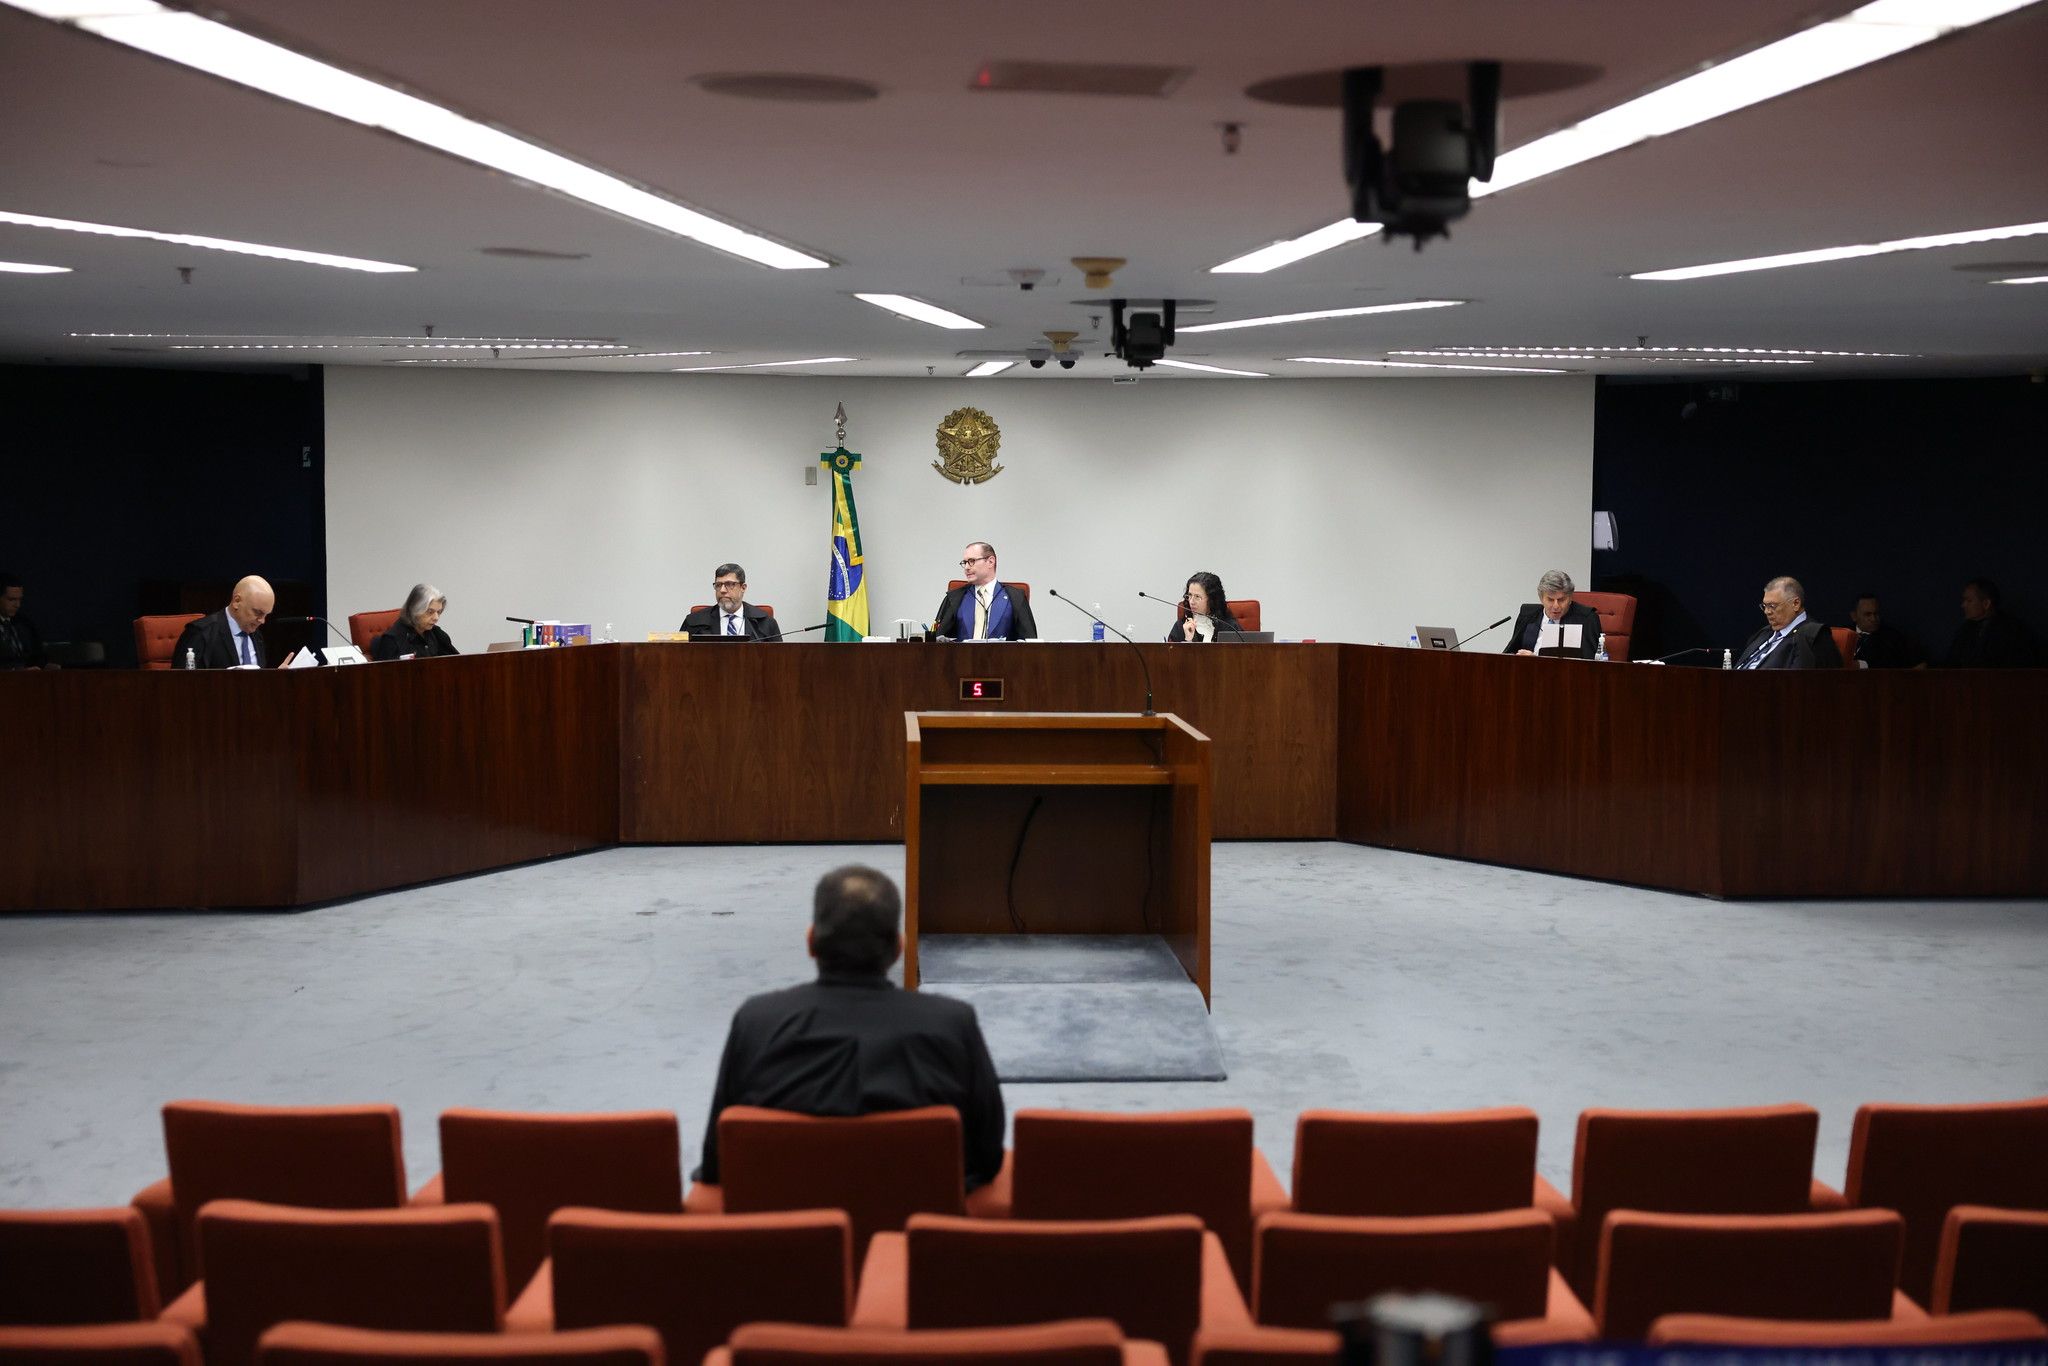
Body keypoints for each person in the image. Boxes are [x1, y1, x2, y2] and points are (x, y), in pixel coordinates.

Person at [692, 865, 1004, 1191]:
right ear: (899, 949)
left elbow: (718, 1163)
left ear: (811, 942)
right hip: (915, 1231)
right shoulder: (953, 1023)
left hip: (790, 1235)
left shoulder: (755, 1021)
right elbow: (987, 1157)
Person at [933, 542, 1037, 641]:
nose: (967, 567)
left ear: (990, 562)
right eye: (964, 563)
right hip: (963, 658)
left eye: (972, 561)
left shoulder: (1015, 597)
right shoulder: (955, 598)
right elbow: (937, 641)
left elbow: (1030, 643)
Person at [1733, 575, 1841, 670]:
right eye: (1765, 606)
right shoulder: (1763, 634)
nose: (1767, 612)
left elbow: (1800, 684)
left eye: (1772, 606)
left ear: (1796, 604)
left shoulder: (1812, 636)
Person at [172, 575, 274, 669]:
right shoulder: (200, 633)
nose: (262, 621)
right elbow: (181, 682)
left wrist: (276, 677)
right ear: (236, 602)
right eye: (257, 612)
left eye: (266, 615)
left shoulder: (257, 637)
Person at [1505, 569, 1602, 657]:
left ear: (1570, 598)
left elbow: (1590, 662)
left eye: (1561, 600)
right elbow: (1510, 652)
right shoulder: (1528, 614)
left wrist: (1536, 661)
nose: (1556, 606)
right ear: (1541, 598)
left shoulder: (1587, 618)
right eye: (1550, 600)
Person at [1942, 578, 2036, 668]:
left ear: (1986, 604)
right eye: (1964, 600)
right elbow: (1952, 663)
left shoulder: (2011, 630)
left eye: (1969, 601)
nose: (1963, 605)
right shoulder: (1965, 630)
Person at [681, 563, 782, 640]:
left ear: (743, 587)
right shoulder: (694, 622)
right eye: (718, 585)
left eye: (729, 584)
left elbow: (778, 660)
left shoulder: (765, 623)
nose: (722, 590)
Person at [369, 583, 460, 660]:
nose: (436, 618)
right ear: (415, 610)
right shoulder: (392, 640)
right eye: (430, 612)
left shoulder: (437, 634)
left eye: (439, 612)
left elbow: (459, 663)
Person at [1848, 593, 1923, 669]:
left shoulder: (1893, 638)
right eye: (1868, 614)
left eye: (1876, 614)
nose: (1873, 619)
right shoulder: (1844, 635)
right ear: (1854, 616)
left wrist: (1861, 665)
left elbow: (1919, 664)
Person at [1166, 571, 1243, 642]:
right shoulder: (1181, 626)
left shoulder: (1229, 626)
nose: (1191, 601)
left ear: (1211, 599)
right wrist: (1188, 640)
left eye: (1197, 597)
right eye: (1189, 595)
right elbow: (1172, 655)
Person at [0, 571, 50, 670]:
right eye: (11, 599)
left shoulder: (25, 624)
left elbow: (38, 655)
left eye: (19, 600)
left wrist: (45, 666)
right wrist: (16, 671)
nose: (17, 605)